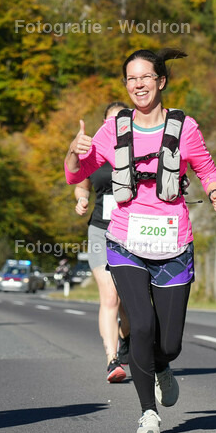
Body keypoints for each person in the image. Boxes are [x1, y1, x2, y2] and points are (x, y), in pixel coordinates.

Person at [64, 48, 216, 433]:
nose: (138, 85)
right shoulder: (114, 129)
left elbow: (205, 167)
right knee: (140, 325)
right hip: (124, 240)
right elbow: (76, 175)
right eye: (131, 79)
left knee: (168, 342)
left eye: (146, 77)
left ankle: (163, 365)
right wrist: (73, 150)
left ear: (161, 81)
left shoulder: (184, 127)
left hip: (174, 242)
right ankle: (147, 413)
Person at [74, 101, 132, 383]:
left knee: (128, 301)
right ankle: (112, 360)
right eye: (110, 121)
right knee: (109, 296)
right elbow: (81, 182)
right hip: (100, 230)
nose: (116, 125)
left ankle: (129, 338)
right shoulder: (95, 151)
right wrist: (82, 199)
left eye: (121, 120)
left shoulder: (139, 151)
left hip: (133, 232)